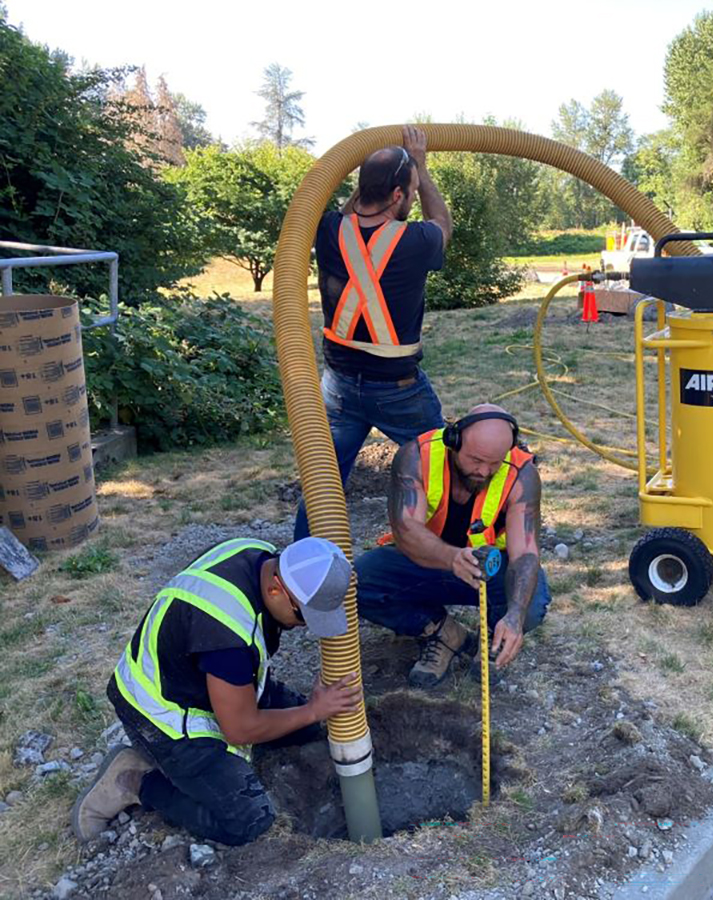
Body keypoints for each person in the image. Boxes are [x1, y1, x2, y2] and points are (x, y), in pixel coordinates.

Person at [71, 536, 361, 846]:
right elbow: (239, 729)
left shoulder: (255, 553)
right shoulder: (226, 636)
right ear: (275, 588)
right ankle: (135, 781)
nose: (304, 626)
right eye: (304, 615)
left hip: (198, 679)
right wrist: (313, 709)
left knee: (307, 730)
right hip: (160, 714)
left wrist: (310, 715)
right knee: (249, 822)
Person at [293, 124, 454, 540]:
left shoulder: (328, 229)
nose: (415, 195)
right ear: (399, 195)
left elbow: (351, 216)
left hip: (340, 386)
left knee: (322, 484)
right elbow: (442, 222)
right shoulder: (416, 240)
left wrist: (373, 182)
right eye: (412, 189)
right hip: (399, 390)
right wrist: (421, 165)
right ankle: (446, 555)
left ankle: (300, 568)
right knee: (443, 470)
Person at [355, 404, 552, 688]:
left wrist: (515, 616)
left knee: (531, 604)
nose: (483, 471)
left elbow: (525, 554)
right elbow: (406, 530)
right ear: (454, 441)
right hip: (425, 559)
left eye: (494, 463)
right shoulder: (416, 456)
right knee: (357, 583)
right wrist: (452, 558)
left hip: (488, 569)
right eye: (475, 460)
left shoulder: (522, 473)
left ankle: (495, 637)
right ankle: (442, 632)